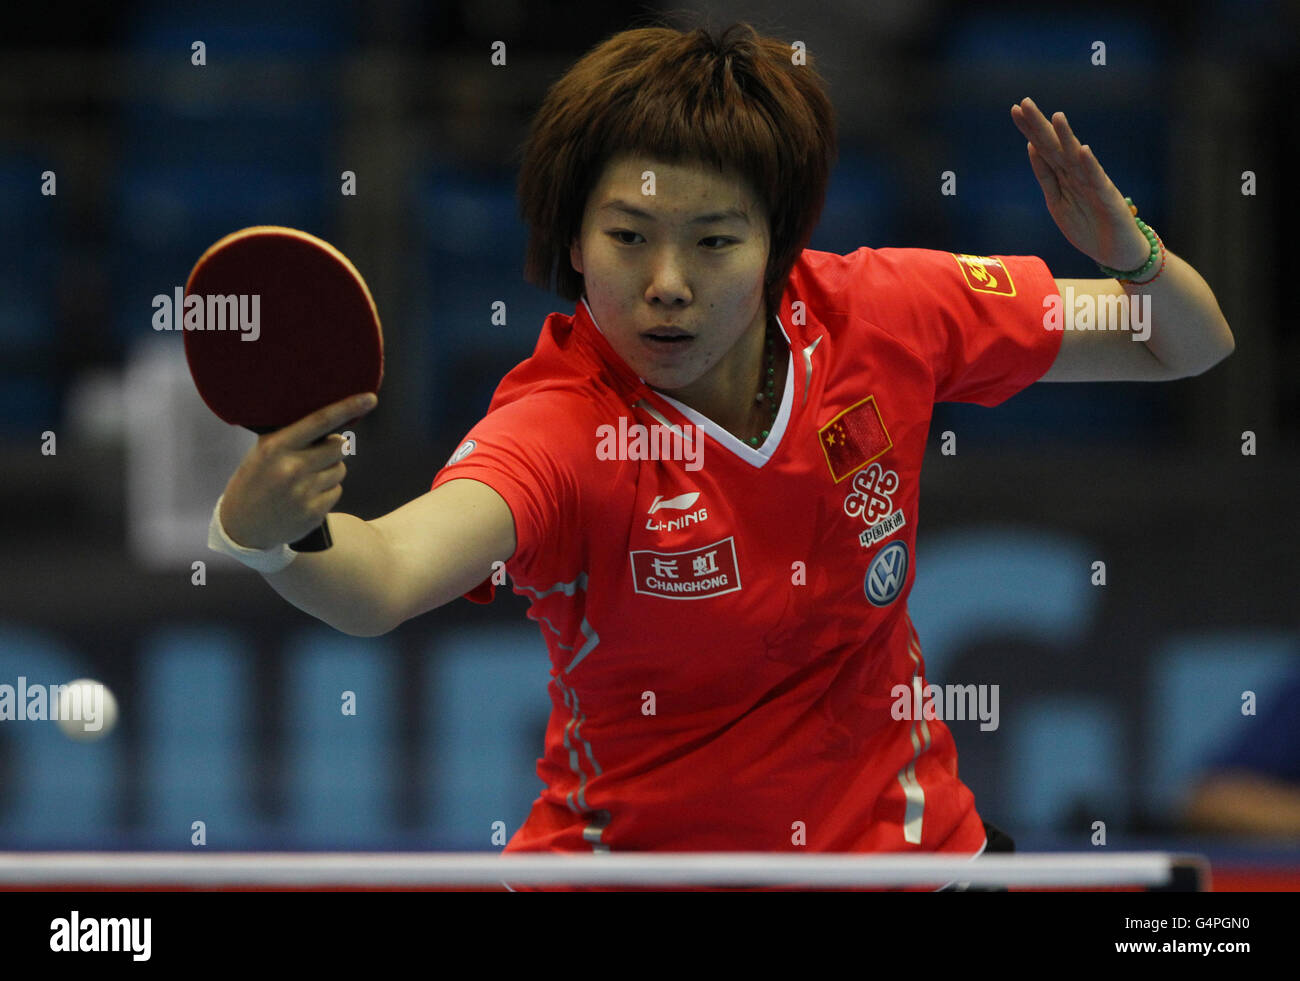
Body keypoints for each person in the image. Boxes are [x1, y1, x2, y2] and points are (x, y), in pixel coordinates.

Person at [208, 23, 1234, 875]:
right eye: (626, 237)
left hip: (912, 863)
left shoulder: (883, 315)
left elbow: (1183, 344)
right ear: (570, 241)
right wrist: (273, 536)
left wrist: (1131, 253)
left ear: (779, 244)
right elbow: (383, 576)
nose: (666, 282)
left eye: (712, 241)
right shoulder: (563, 428)